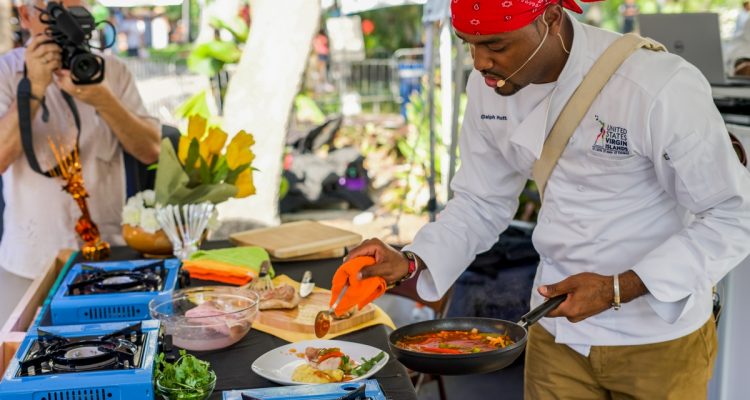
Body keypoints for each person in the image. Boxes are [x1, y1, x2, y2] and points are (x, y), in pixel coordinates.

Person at [347, 0, 750, 398]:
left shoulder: (653, 84)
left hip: (658, 338)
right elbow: (479, 200)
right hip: (555, 332)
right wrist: (412, 260)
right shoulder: (488, 87)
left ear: (551, 19)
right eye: (468, 44)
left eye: (496, 45)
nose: (481, 62)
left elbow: (733, 214)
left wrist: (619, 287)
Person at [0, 0, 160, 324]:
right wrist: (32, 90)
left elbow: (152, 150)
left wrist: (103, 99)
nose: (69, 26)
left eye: (76, 12)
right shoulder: (6, 73)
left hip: (110, 258)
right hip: (30, 263)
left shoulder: (111, 71)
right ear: (26, 16)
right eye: (56, 15)